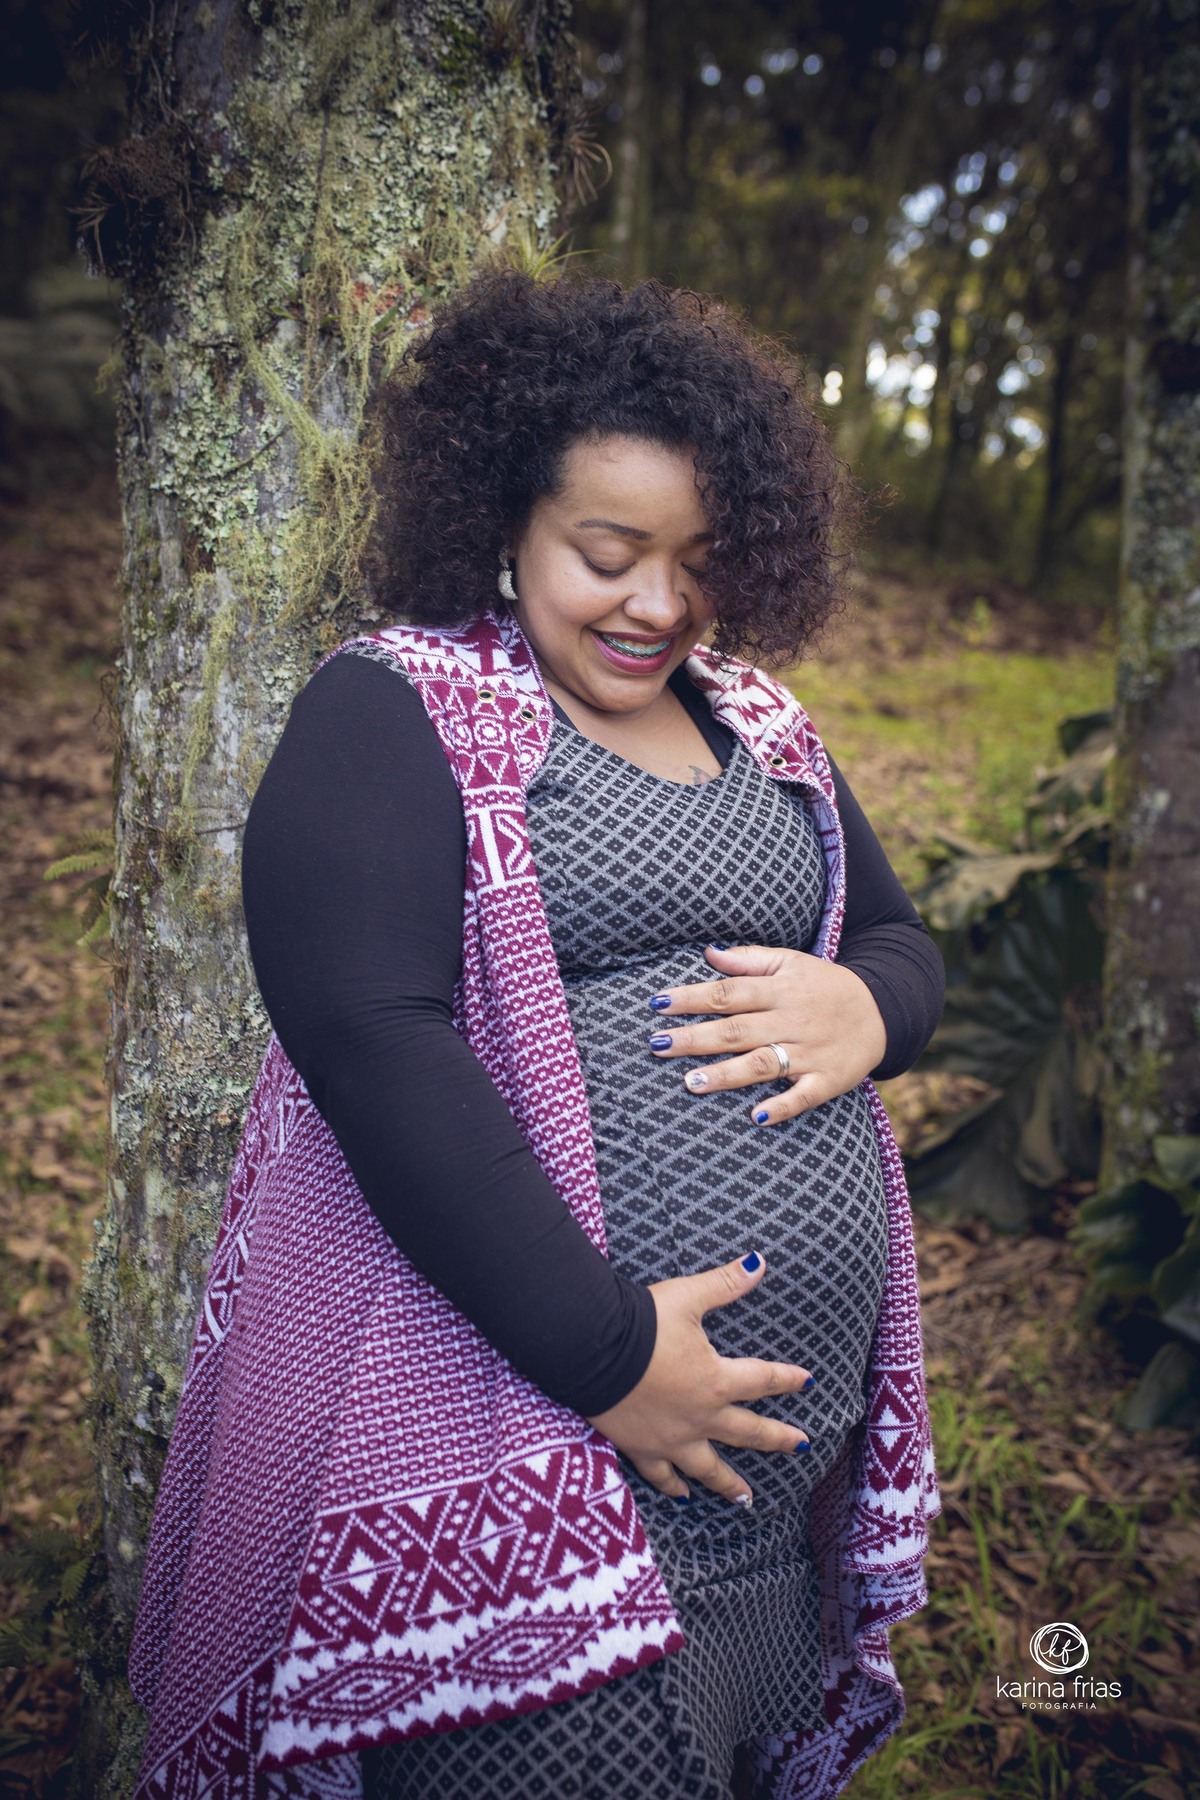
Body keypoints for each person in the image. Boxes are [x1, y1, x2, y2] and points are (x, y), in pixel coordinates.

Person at [128, 273, 942, 1800]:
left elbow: (900, 944)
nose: (656, 604)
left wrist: (868, 1006)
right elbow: (373, 1040)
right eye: (609, 554)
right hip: (533, 1439)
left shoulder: (760, 726)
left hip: (759, 1489)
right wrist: (613, 1352)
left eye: (700, 563)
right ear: (506, 522)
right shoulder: (397, 709)